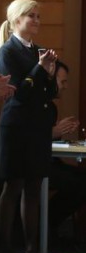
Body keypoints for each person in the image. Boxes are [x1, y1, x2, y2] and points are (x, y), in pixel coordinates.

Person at [0, 0, 59, 253]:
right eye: (30, 15)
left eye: (38, 16)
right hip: (17, 125)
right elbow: (19, 92)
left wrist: (51, 73)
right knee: (14, 186)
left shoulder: (38, 51)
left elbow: (50, 92)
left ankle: (32, 250)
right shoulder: (7, 51)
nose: (36, 20)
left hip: (37, 126)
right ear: (16, 19)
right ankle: (5, 250)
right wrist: (40, 69)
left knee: (34, 187)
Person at [47, 61, 85, 243]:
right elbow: (28, 138)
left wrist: (61, 131)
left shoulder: (51, 107)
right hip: (35, 164)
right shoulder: (34, 105)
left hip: (50, 161)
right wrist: (54, 131)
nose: (65, 86)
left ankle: (48, 224)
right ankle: (46, 225)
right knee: (79, 184)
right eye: (62, 82)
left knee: (82, 178)